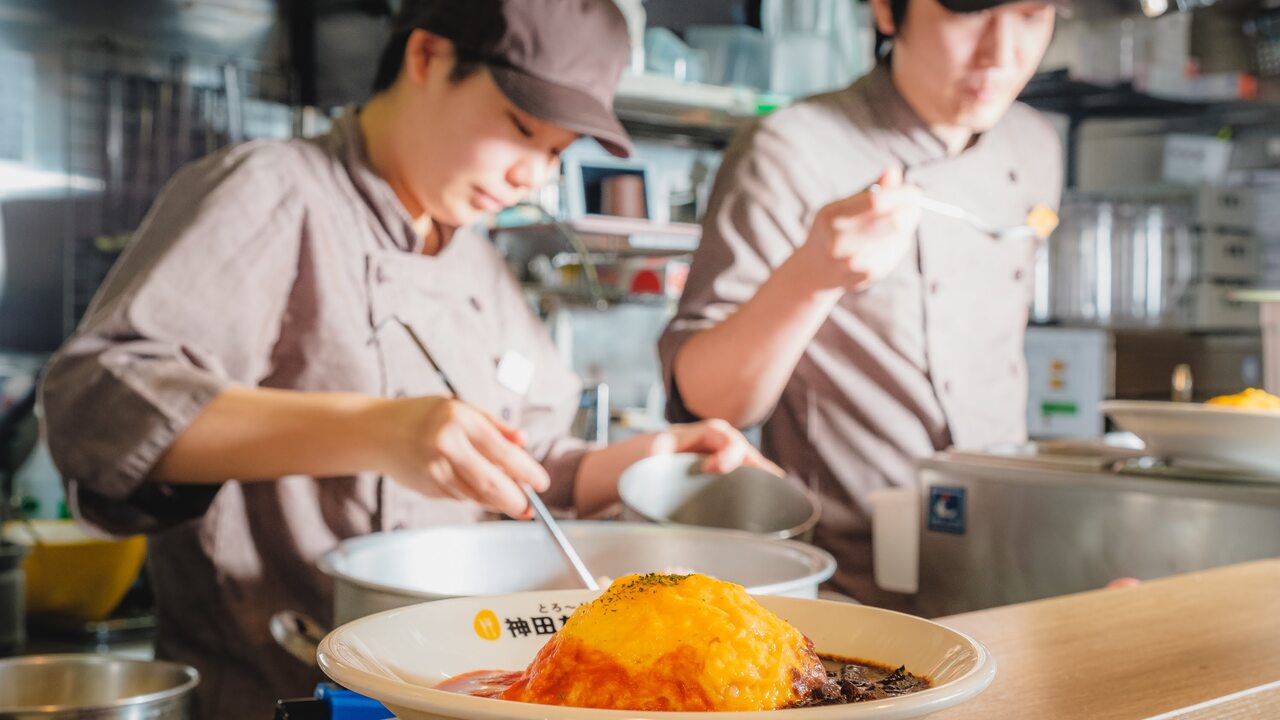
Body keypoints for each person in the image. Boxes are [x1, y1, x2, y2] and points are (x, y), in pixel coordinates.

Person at [39, 1, 775, 716]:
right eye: (521, 129)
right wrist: (383, 430)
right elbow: (98, 402)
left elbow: (523, 465)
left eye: (554, 153)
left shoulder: (475, 260)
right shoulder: (273, 190)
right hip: (279, 690)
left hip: (454, 692)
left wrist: (644, 458)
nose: (533, 175)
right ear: (428, 54)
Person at [659, 0, 1065, 611]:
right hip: (843, 592)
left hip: (1009, 574)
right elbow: (708, 400)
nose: (1003, 53)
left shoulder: (1034, 145)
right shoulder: (790, 150)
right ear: (885, 10)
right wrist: (812, 277)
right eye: (968, 13)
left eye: (1033, 15)